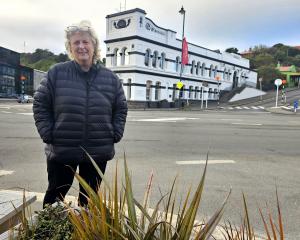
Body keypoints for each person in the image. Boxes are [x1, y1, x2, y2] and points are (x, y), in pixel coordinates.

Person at [33, 20, 128, 207]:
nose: (81, 46)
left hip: (97, 151)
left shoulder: (110, 78)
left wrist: (115, 133)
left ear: (94, 45)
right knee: (54, 198)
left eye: (85, 42)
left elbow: (121, 108)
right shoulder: (56, 73)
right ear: (70, 47)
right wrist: (48, 133)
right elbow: (40, 104)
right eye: (76, 42)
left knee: (89, 200)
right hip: (62, 150)